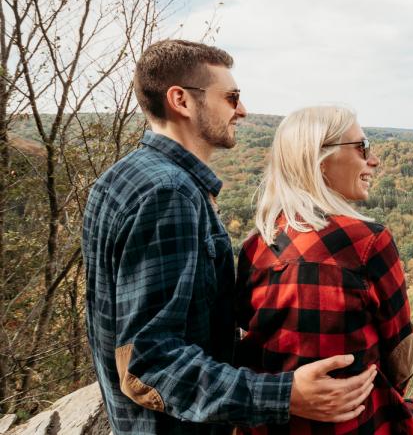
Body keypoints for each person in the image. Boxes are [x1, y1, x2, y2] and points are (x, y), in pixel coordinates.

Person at [83, 40, 376, 435]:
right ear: (181, 101)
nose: (242, 110)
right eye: (232, 97)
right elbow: (149, 362)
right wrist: (284, 394)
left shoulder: (120, 178)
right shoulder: (169, 194)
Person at [233, 106, 413, 435]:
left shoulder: (255, 246)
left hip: (269, 425)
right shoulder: (369, 242)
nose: (373, 161)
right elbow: (400, 359)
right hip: (355, 425)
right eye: (363, 148)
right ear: (321, 161)